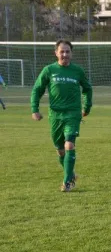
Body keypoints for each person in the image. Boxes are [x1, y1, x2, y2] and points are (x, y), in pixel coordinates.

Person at [31, 39, 93, 192]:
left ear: (71, 54)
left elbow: (87, 88)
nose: (65, 54)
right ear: (56, 53)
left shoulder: (77, 71)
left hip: (72, 114)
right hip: (55, 115)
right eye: (62, 51)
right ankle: (71, 174)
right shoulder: (49, 70)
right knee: (60, 149)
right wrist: (35, 109)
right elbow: (37, 89)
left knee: (69, 144)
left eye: (67, 51)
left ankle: (67, 183)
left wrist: (87, 107)